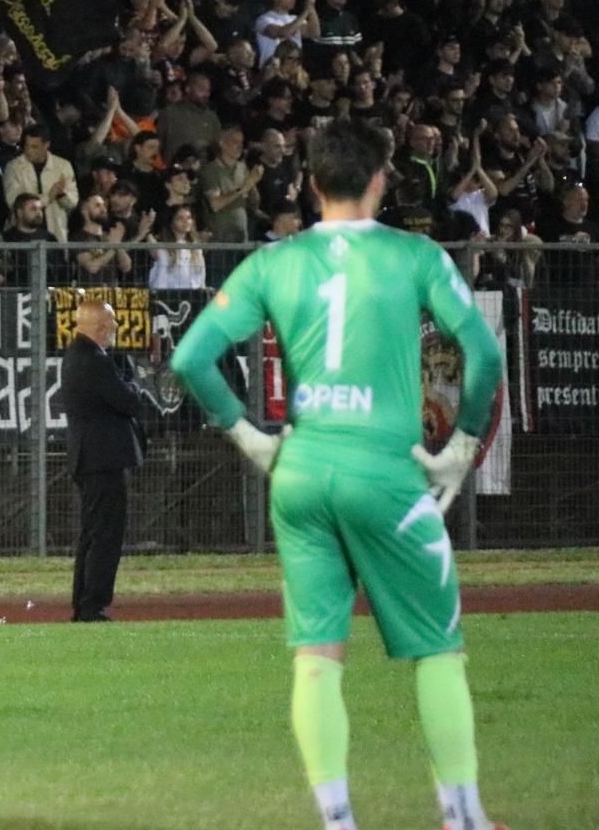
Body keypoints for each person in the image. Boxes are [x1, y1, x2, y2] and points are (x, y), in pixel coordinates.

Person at [171, 119, 505, 830]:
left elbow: (191, 358)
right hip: (384, 471)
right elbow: (484, 352)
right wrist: (463, 445)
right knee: (438, 650)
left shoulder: (273, 262)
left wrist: (250, 438)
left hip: (302, 470)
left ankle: (337, 820)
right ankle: (465, 817)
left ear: (311, 184)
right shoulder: (415, 255)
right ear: (381, 179)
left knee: (317, 656)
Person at [59, 296, 153, 623]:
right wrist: (136, 385)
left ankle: (84, 602)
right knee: (105, 536)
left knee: (92, 533)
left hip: (91, 458)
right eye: (111, 322)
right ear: (100, 326)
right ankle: (92, 605)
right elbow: (129, 401)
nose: (115, 327)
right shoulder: (94, 361)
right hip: (103, 459)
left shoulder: (77, 356)